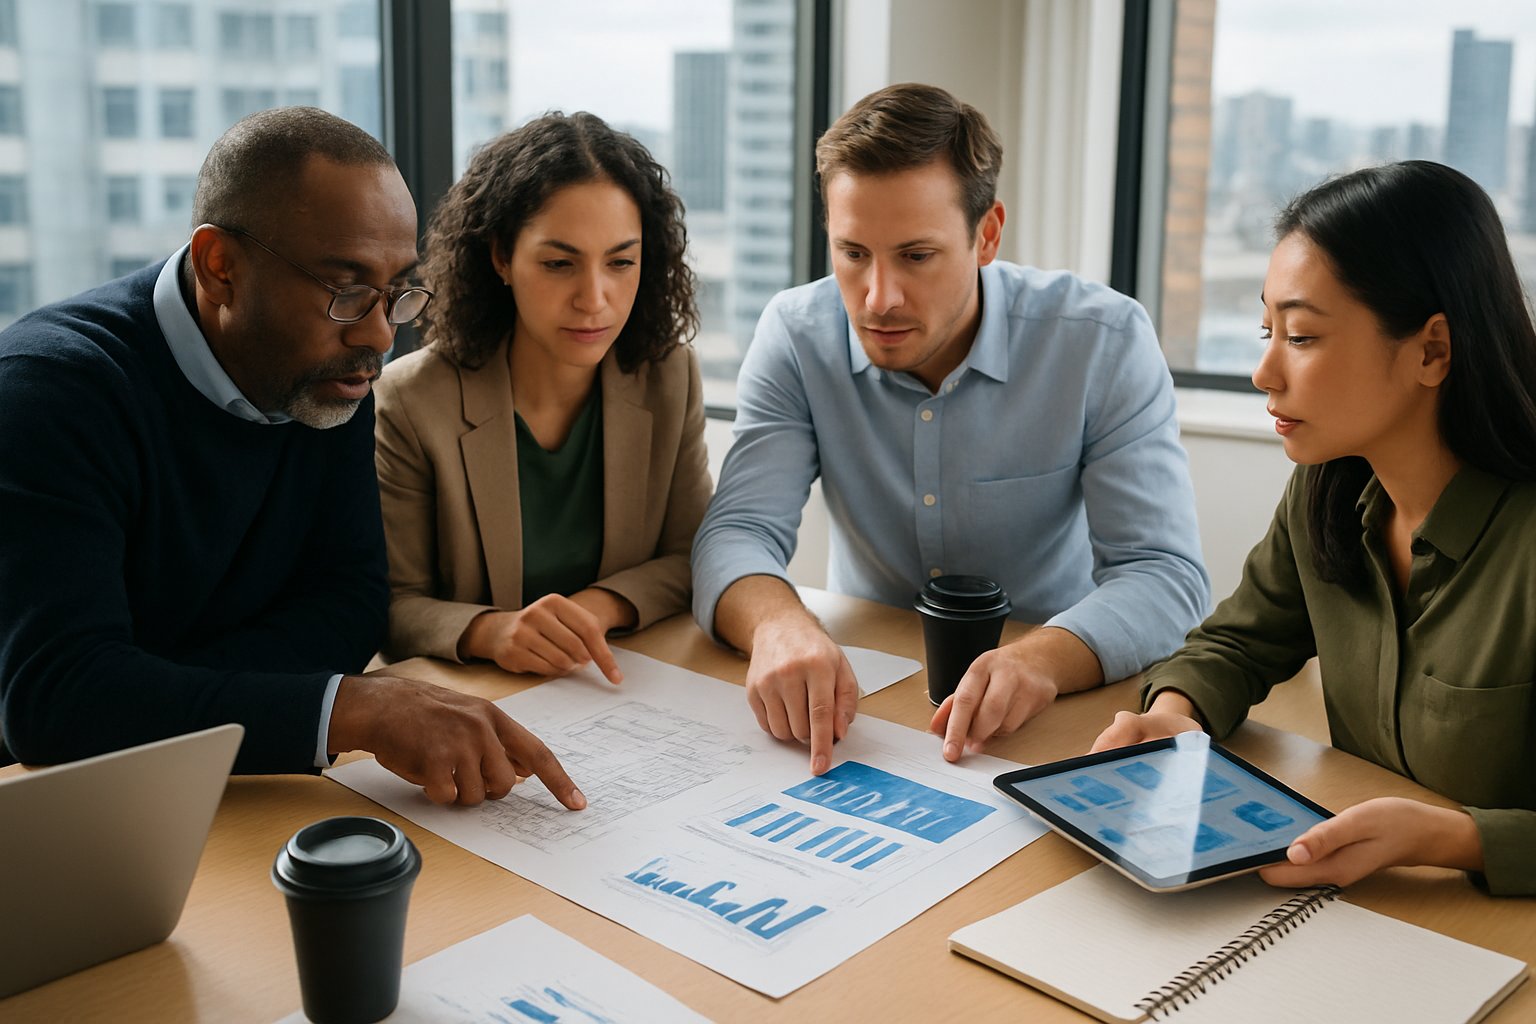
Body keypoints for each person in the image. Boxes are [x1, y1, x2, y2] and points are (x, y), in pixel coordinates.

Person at [0, 107, 582, 811]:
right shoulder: (49, 390)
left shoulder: (330, 367)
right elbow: (59, 701)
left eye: (397, 291)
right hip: (52, 810)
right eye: (346, 288)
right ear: (221, 267)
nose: (379, 334)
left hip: (209, 790)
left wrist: (148, 693)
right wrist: (353, 710)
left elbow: (350, 602)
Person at [692, 83, 1210, 775]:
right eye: (852, 253)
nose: (878, 298)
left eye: (916, 256)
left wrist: (1041, 659)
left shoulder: (1102, 339)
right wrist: (778, 626)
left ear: (987, 234)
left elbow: (1164, 573)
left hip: (1055, 704)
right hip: (869, 711)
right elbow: (736, 532)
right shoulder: (795, 334)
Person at [1091, 160, 1536, 897]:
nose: (1264, 371)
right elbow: (1238, 641)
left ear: (1432, 349)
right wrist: (1178, 714)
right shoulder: (1328, 487)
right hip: (1361, 907)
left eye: (1299, 336)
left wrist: (1452, 837)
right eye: (1268, 329)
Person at [374, 112, 711, 681]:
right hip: (483, 700)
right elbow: (391, 605)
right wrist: (490, 630)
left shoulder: (670, 376)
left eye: (621, 262)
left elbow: (693, 555)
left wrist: (593, 611)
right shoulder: (411, 402)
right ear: (501, 257)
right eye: (559, 264)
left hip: (624, 684)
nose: (594, 299)